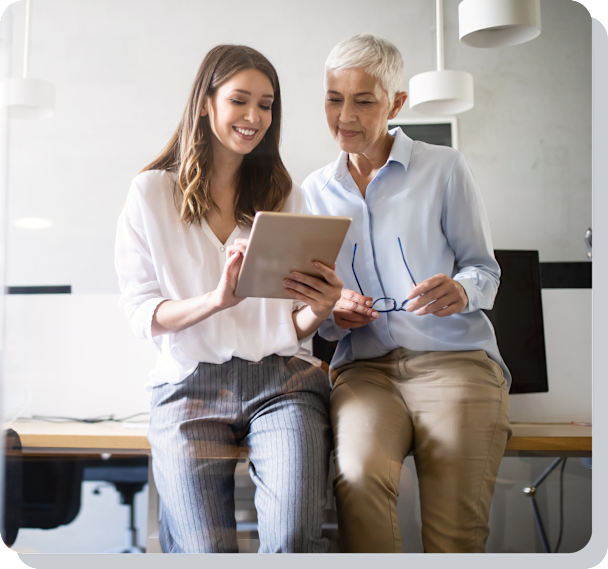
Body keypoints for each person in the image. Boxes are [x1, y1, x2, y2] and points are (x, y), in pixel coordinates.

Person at [115, 44, 344, 554]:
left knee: (291, 538)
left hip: (281, 381)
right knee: (202, 551)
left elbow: (290, 324)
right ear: (205, 102)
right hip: (188, 386)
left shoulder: (284, 194)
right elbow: (142, 313)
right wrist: (215, 300)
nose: (255, 117)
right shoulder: (151, 194)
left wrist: (320, 308)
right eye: (240, 100)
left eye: (266, 105)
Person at [302, 33, 512, 553]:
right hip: (364, 373)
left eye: (363, 100)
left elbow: (484, 269)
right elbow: (315, 306)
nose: (345, 115)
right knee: (355, 482)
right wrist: (334, 312)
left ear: (396, 103)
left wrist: (461, 291)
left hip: (456, 362)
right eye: (334, 98)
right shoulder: (311, 193)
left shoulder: (445, 169)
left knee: (453, 534)